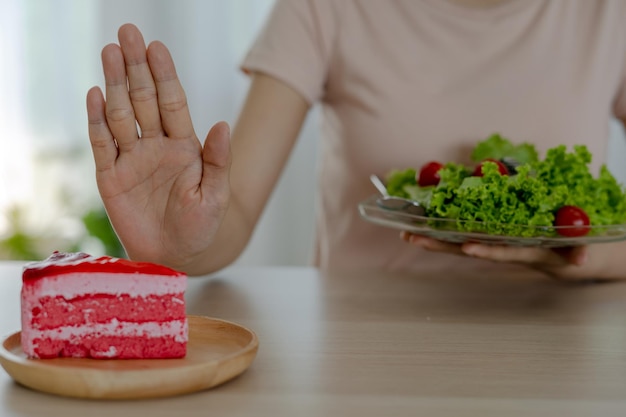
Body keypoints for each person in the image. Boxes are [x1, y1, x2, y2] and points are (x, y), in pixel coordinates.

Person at [86, 0, 626, 280]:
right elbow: (238, 209)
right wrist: (180, 244)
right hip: (364, 345)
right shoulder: (326, 7)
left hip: (564, 339)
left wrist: (585, 259)